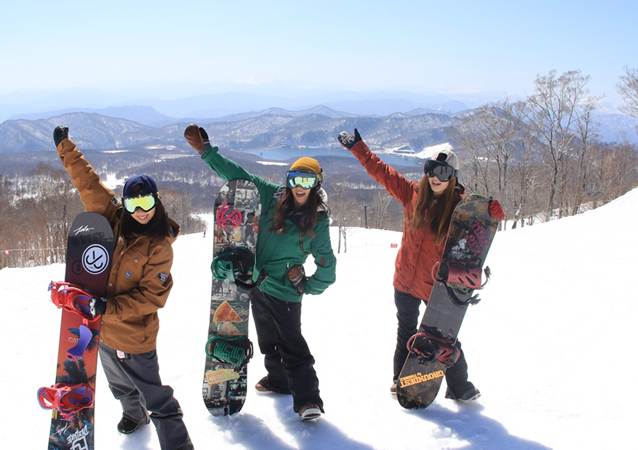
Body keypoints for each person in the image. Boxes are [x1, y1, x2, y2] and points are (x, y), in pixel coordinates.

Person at [53, 126, 193, 450]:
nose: (141, 211)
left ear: (157, 202)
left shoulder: (160, 246)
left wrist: (108, 308)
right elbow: (86, 181)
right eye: (134, 203)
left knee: (156, 396)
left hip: (134, 335)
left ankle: (178, 444)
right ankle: (134, 414)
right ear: (125, 205)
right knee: (118, 383)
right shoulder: (113, 218)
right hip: (101, 330)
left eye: (146, 202)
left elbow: (150, 298)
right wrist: (65, 146)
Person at [184, 124, 337, 421]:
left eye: (307, 180)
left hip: (285, 292)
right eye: (294, 178)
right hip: (256, 285)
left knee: (292, 344)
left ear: (316, 184)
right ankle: (278, 381)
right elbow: (237, 176)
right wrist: (206, 152)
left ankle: (307, 400)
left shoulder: (317, 220)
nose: (299, 186)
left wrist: (307, 285)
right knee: (268, 341)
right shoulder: (272, 196)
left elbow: (328, 268)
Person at [338, 128, 501, 402]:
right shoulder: (412, 194)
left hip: (435, 287)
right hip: (404, 281)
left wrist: (491, 212)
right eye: (432, 170)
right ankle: (400, 381)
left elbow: (480, 231)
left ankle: (459, 386)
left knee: (444, 338)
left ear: (453, 177)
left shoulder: (459, 209)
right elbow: (382, 172)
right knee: (406, 332)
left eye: (445, 173)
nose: (437, 178)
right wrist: (358, 147)